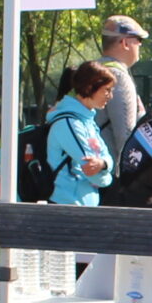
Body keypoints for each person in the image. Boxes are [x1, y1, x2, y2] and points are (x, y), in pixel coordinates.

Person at [44, 62, 116, 206]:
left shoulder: (87, 121)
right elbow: (93, 174)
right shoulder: (68, 123)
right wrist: (107, 175)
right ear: (89, 88)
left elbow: (107, 158)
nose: (110, 96)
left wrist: (103, 164)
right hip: (66, 204)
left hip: (84, 204)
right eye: (107, 90)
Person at [98, 14, 149, 155]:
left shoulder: (89, 71)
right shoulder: (118, 77)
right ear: (125, 43)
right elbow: (126, 136)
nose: (140, 45)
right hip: (106, 165)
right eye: (138, 39)